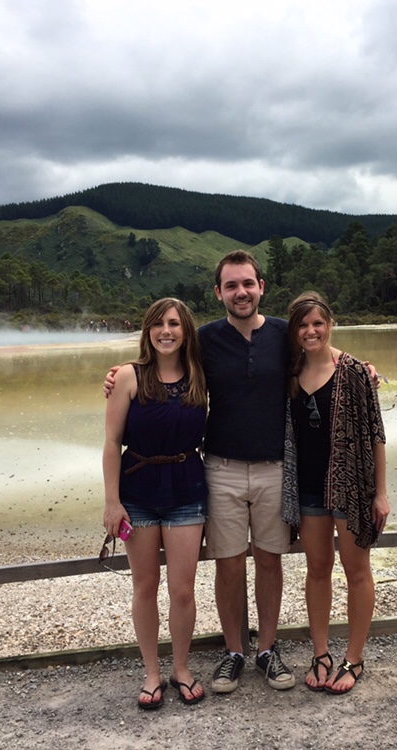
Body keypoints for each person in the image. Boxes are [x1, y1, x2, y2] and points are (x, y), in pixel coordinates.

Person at [105, 250, 297, 693]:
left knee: (270, 562)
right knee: (228, 564)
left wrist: (360, 365)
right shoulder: (204, 341)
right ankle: (233, 652)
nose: (241, 292)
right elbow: (160, 362)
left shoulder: (285, 335)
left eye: (247, 283)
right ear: (219, 293)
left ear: (261, 287)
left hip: (274, 468)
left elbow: (320, 345)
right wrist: (116, 376)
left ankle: (267, 650)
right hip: (220, 469)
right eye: (231, 285)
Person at [103, 298, 209, 709]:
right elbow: (112, 443)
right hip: (139, 492)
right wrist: (112, 503)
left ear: (186, 331)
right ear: (147, 331)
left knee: (182, 591)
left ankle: (180, 667)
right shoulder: (129, 376)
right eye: (158, 324)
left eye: (175, 324)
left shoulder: (201, 375)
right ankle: (151, 672)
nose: (166, 331)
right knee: (145, 586)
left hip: (186, 488)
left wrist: (363, 368)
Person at [283, 291, 389, 695]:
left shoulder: (356, 372)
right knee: (317, 569)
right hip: (308, 489)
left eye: (317, 323)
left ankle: (355, 658)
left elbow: (377, 435)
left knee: (356, 569)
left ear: (329, 324)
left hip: (351, 488)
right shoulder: (289, 372)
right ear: (294, 331)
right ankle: (322, 653)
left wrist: (380, 493)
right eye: (302, 325)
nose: (310, 331)